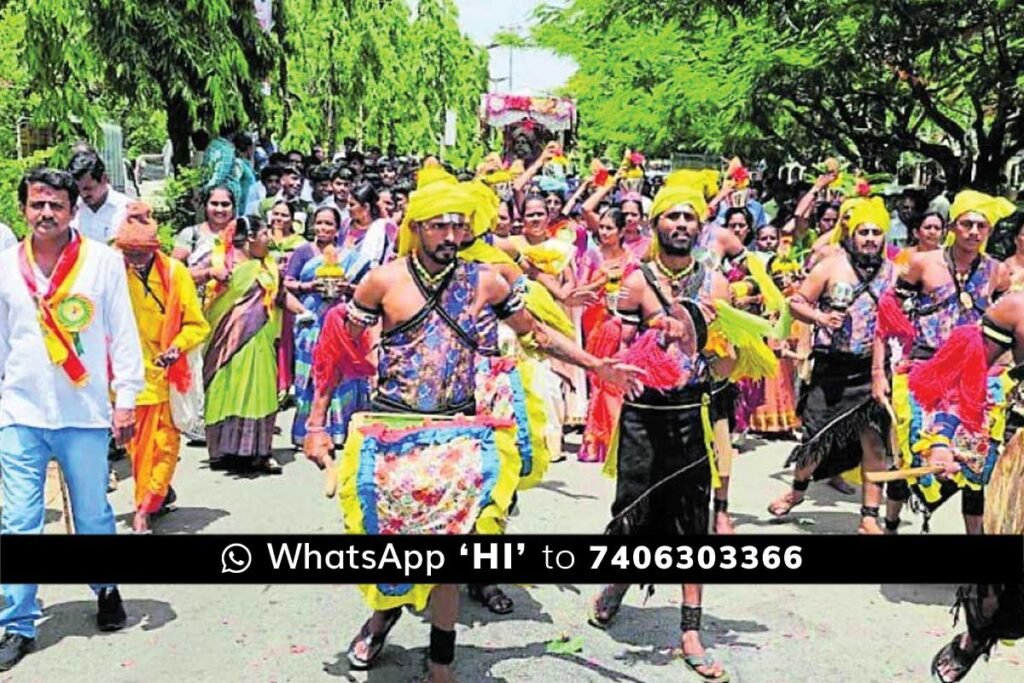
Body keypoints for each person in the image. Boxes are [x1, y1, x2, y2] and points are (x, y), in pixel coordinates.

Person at [303, 179, 639, 683]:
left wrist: (597, 365)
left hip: (459, 434)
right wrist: (314, 424)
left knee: (448, 561)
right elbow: (333, 353)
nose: (450, 233)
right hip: (394, 432)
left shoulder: (486, 282)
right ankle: (383, 617)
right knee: (387, 550)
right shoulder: (381, 282)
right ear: (417, 227)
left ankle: (442, 666)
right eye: (440, 224)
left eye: (459, 224)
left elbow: (537, 335)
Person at [587, 179, 744, 682]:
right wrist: (655, 338)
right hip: (643, 413)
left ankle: (690, 629)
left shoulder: (716, 286)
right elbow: (617, 352)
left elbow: (725, 366)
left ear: (700, 227)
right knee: (632, 511)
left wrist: (711, 341)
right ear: (655, 226)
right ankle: (618, 582)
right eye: (671, 217)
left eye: (689, 218)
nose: (680, 225)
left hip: (691, 413)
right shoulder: (634, 283)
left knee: (690, 521)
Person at [0, 168, 145, 670]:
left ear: (73, 210)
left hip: (83, 413)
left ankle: (105, 589)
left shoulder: (101, 263)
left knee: (92, 516)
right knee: (18, 522)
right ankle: (16, 621)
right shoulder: (4, 268)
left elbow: (122, 334)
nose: (46, 214)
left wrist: (127, 397)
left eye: (55, 205)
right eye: (37, 204)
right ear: (23, 209)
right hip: (20, 412)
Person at [881, 191, 1015, 534]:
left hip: (977, 376)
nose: (973, 231)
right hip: (926, 369)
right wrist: (885, 365)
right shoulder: (923, 263)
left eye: (981, 225)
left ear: (989, 231)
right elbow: (890, 310)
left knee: (975, 462)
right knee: (914, 451)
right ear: (953, 226)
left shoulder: (997, 272)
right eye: (967, 223)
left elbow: (1005, 324)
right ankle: (891, 522)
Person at [768, 197, 894, 534]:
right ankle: (796, 492)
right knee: (815, 438)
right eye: (863, 232)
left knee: (875, 442)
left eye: (876, 232)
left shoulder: (893, 272)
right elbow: (796, 302)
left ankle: (869, 516)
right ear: (851, 234)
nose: (869, 238)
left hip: (872, 369)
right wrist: (821, 317)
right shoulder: (830, 265)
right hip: (831, 366)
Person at [923, 291, 1024, 681]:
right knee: (1002, 589)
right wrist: (942, 439)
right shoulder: (1014, 309)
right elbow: (965, 377)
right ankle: (979, 633)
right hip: (1020, 464)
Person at [114, 203, 210, 533]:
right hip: (125, 378)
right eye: (129, 253)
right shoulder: (111, 271)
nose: (135, 261)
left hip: (166, 375)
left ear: (154, 249)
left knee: (165, 445)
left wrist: (176, 347)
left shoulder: (174, 273)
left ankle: (145, 506)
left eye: (141, 254)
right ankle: (151, 495)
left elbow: (197, 325)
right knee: (137, 449)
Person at [198, 215, 310, 474]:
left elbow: (281, 295)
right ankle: (224, 452)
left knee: (259, 393)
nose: (269, 239)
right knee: (225, 392)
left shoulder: (267, 266)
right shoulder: (219, 259)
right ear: (250, 238)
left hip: (259, 339)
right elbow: (182, 274)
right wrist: (208, 273)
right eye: (264, 234)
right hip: (224, 342)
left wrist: (303, 312)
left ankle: (259, 452)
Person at [290, 205, 384, 449]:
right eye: (319, 223)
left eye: (328, 224)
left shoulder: (351, 257)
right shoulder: (303, 252)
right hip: (311, 321)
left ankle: (340, 430)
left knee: (340, 370)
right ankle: (309, 429)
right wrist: (309, 286)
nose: (323, 228)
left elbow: (367, 287)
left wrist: (347, 289)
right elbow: (287, 283)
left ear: (337, 228)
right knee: (312, 374)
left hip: (341, 322)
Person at [171, 185, 238, 277]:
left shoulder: (242, 233)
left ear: (233, 207)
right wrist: (208, 273)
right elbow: (172, 271)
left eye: (225, 204)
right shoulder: (191, 234)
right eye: (214, 204)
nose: (219, 209)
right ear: (205, 206)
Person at [67, 149, 130, 243]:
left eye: (87, 188)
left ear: (104, 179)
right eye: (77, 189)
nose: (82, 194)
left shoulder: (127, 209)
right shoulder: (71, 210)